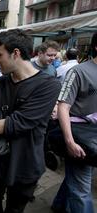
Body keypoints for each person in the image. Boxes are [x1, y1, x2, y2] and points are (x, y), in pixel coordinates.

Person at [0, 29, 61, 212]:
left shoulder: (48, 85)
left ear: (15, 53)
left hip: (24, 163)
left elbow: (17, 123)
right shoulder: (2, 81)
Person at [51, 32, 97, 213]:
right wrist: (70, 141)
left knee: (78, 177)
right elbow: (63, 106)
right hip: (79, 136)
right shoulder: (78, 71)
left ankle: (58, 204)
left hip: (94, 136)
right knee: (81, 190)